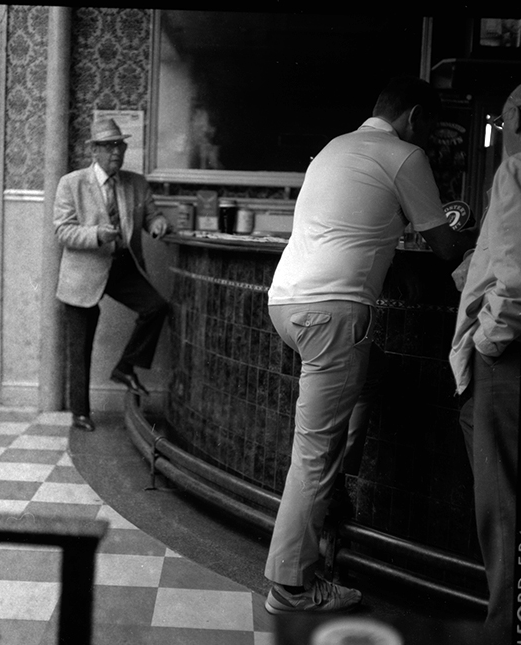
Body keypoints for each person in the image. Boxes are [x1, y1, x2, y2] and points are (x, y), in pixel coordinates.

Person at [263, 76, 476, 615]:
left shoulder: (334, 148)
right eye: (429, 126)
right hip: (333, 311)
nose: (428, 139)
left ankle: (331, 498)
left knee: (370, 377)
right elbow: (445, 244)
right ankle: (290, 586)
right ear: (415, 117)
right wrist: (475, 232)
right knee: (314, 454)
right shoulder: (404, 155)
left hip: (286, 304)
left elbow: (355, 223)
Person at [449, 85, 521, 645]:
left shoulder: (515, 172)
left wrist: (489, 339)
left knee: (500, 503)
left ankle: (504, 631)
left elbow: (516, 283)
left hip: (510, 357)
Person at [54, 117, 171, 432]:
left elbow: (151, 214)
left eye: (120, 144)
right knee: (80, 346)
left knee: (156, 307)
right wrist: (96, 235)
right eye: (108, 146)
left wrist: (158, 223)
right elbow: (63, 231)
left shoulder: (136, 183)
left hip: (121, 266)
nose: (116, 151)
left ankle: (124, 367)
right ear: (94, 150)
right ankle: (80, 413)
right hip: (83, 271)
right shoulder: (72, 183)